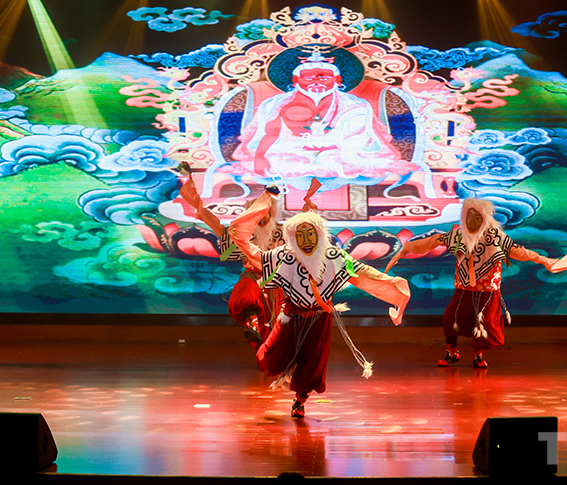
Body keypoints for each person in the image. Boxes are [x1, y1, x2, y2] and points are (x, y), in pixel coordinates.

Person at [228, 189, 410, 419]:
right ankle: (255, 331)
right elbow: (243, 241)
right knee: (269, 358)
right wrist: (263, 202)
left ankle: (300, 401)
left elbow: (363, 272)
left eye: (310, 234)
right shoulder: (285, 255)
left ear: (319, 234)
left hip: (318, 319)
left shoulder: (334, 256)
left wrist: (393, 284)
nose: (306, 241)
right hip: (290, 316)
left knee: (313, 365)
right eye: (300, 235)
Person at [386, 198, 567, 368]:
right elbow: (433, 241)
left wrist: (544, 260)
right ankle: (452, 352)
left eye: (478, 218)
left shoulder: (495, 237)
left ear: (485, 219)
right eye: (470, 216)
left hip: (488, 289)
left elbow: (519, 251)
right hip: (464, 288)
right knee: (451, 318)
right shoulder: (458, 236)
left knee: (485, 324)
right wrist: (405, 249)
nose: (473, 222)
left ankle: (478, 355)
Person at [231, 50, 416, 182]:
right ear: (296, 80)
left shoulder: (356, 104)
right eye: (309, 77)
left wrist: (334, 146)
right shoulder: (276, 103)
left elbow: (364, 137)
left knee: (367, 160)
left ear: (338, 80)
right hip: (291, 150)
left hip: (342, 151)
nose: (316, 82)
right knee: (273, 160)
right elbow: (268, 134)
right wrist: (262, 157)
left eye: (324, 77)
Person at [177, 173, 283, 346]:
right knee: (247, 290)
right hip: (254, 276)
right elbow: (217, 226)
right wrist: (197, 204)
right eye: (257, 214)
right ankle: (253, 324)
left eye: (266, 213)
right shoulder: (243, 234)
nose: (262, 218)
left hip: (278, 280)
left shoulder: (283, 232)